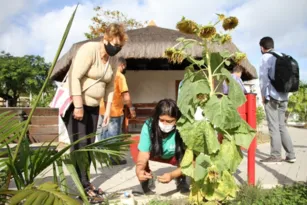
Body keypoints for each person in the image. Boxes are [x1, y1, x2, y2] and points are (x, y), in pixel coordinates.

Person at [62, 23, 128, 202]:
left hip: (93, 108)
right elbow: (75, 76)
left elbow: (109, 87)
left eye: (120, 47)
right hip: (76, 105)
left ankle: (86, 182)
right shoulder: (89, 50)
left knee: (90, 146)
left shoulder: (113, 60)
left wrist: (106, 111)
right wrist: (78, 105)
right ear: (105, 38)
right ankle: (82, 188)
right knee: (80, 147)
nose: (116, 49)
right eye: (114, 44)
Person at [132, 99, 189, 194]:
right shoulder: (149, 125)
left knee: (186, 156)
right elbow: (143, 153)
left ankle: (181, 179)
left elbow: (192, 162)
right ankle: (146, 177)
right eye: (161, 120)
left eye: (169, 121)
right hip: (156, 154)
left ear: (177, 120)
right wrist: (139, 170)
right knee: (135, 145)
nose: (165, 124)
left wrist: (172, 175)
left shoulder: (184, 128)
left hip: (175, 156)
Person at [258, 36, 296, 164]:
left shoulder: (265, 57)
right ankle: (291, 155)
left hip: (272, 97)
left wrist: (263, 95)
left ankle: (275, 155)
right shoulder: (282, 55)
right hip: (284, 96)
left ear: (262, 48)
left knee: (273, 127)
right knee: (281, 126)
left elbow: (263, 79)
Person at [97, 57, 136, 165]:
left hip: (101, 110)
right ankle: (114, 159)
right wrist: (131, 108)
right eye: (124, 67)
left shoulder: (106, 74)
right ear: (122, 65)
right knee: (114, 136)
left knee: (102, 134)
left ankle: (102, 157)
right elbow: (126, 95)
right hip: (114, 111)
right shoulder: (120, 76)